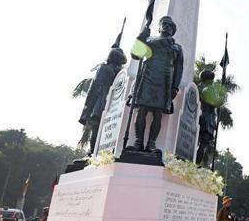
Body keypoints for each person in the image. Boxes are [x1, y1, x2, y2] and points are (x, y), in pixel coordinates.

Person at [127, 16, 184, 153]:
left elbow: (179, 69)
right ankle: (138, 142)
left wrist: (175, 86)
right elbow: (136, 55)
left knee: (158, 113)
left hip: (165, 80)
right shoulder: (149, 40)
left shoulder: (177, 48)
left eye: (170, 26)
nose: (167, 27)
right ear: (159, 27)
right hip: (147, 76)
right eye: (164, 24)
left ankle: (151, 144)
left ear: (173, 30)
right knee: (142, 110)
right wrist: (141, 37)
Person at [78, 45, 127, 155]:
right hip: (100, 99)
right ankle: (92, 152)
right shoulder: (104, 68)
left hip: (109, 100)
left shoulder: (115, 70)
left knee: (101, 127)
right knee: (96, 126)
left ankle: (95, 152)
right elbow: (96, 86)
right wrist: (89, 106)